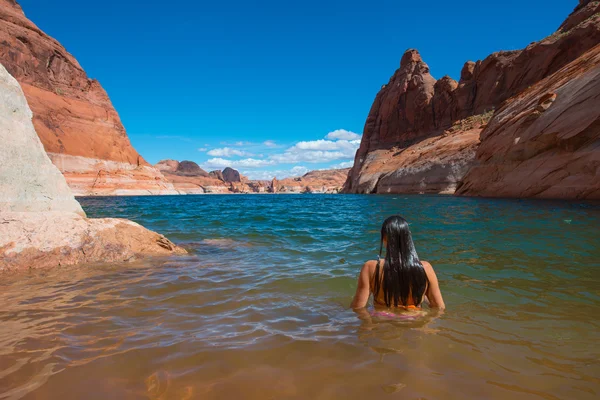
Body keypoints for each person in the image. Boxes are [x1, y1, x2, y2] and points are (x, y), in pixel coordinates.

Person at [351, 215, 445, 311]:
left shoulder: (371, 267)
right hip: (414, 321)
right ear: (408, 238)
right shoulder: (425, 268)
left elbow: (358, 307)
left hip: (382, 320)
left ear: (384, 237)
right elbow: (439, 308)